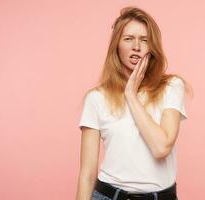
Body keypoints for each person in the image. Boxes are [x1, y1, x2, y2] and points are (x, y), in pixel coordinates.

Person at [76, 6, 193, 200]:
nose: (136, 46)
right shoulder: (96, 98)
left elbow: (161, 148)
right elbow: (87, 175)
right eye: (128, 39)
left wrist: (130, 94)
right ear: (117, 45)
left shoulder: (172, 86)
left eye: (144, 40)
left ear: (152, 47)